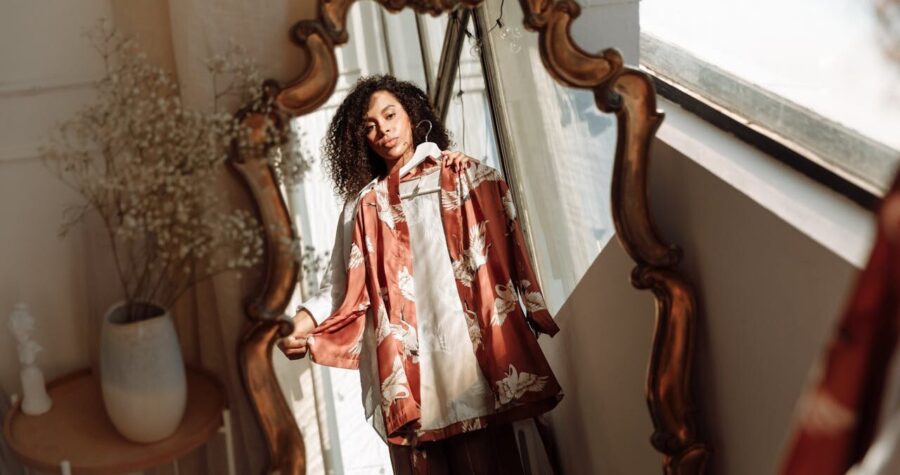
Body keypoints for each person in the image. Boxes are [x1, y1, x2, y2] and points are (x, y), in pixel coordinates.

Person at [278, 74, 561, 474]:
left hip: (469, 368)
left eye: (390, 115)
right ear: (361, 141)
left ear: (412, 114)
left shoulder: (460, 175)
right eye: (370, 126)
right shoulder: (362, 205)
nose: (383, 130)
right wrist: (300, 321)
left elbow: (507, 233)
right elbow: (338, 288)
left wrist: (472, 176)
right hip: (408, 382)